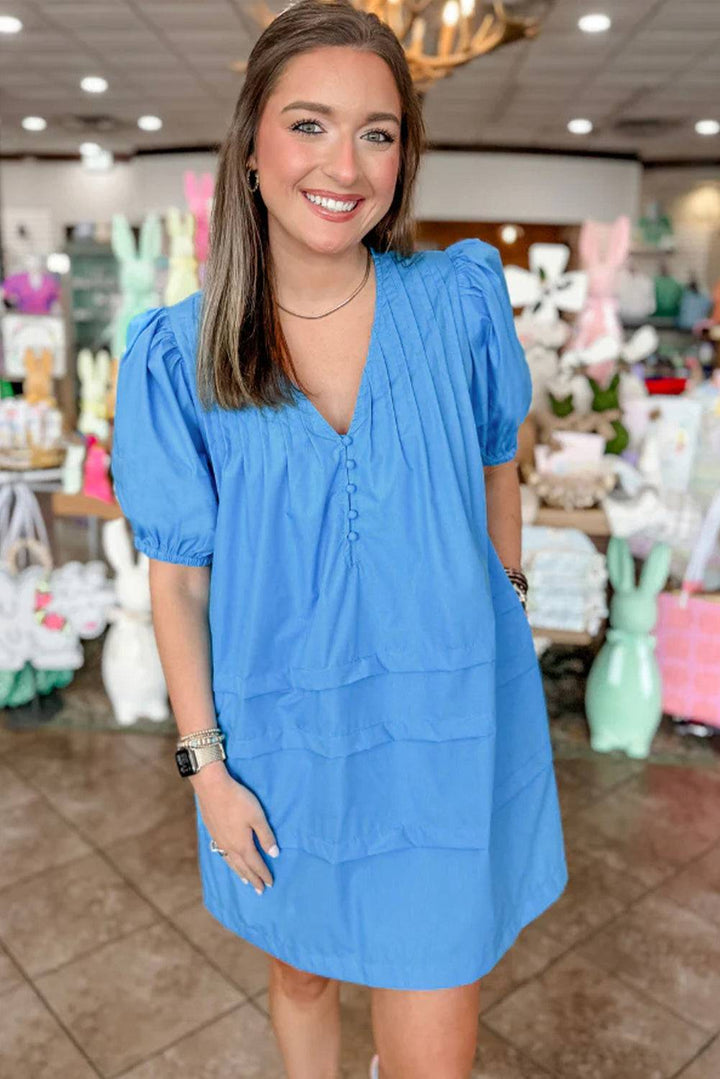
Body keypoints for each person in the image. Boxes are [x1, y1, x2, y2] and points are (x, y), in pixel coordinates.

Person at [110, 1, 568, 1076]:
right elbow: (176, 584)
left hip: (443, 720)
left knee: (432, 1027)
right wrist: (206, 769)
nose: (346, 163)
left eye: (378, 131)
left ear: (404, 157)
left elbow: (498, 450)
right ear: (253, 147)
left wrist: (499, 592)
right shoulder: (180, 355)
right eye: (309, 124)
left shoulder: (459, 300)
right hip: (281, 734)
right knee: (303, 967)